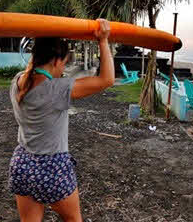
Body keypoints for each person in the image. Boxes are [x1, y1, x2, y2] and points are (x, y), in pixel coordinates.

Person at [9, 19, 114, 222]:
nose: (63, 70)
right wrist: (103, 40)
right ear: (57, 61)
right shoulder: (57, 88)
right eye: (64, 64)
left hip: (22, 163)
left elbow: (35, 68)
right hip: (52, 167)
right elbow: (106, 79)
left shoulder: (18, 81)